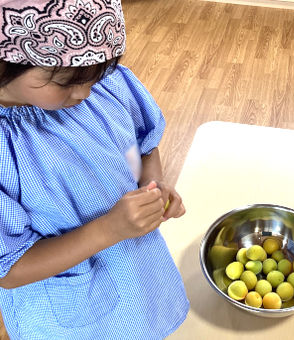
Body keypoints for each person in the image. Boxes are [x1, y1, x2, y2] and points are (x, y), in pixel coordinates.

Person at [0, 0, 189, 339]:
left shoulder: (105, 85)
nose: (86, 92)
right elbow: (10, 268)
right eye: (67, 80)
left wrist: (154, 184)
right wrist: (109, 229)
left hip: (138, 278)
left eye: (98, 73)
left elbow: (144, 146)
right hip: (71, 313)